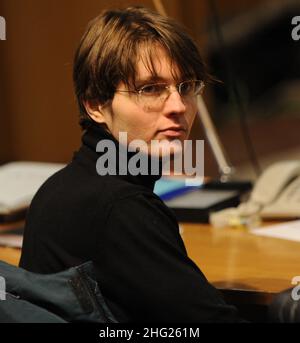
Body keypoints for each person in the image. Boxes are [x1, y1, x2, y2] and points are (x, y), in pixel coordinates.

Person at [20, 6, 243, 322]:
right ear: (96, 104)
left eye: (187, 86)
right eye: (151, 89)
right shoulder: (122, 207)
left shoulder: (61, 185)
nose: (178, 106)